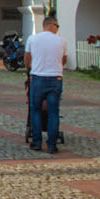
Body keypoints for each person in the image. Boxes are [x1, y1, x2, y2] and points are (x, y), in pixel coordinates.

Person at [23, 16, 67, 153]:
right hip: (55, 78)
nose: (57, 28)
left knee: (35, 110)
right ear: (52, 25)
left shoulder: (32, 39)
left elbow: (27, 58)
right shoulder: (61, 41)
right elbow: (64, 60)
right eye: (57, 26)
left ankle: (36, 142)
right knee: (53, 112)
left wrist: (30, 67)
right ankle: (52, 145)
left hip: (38, 78)